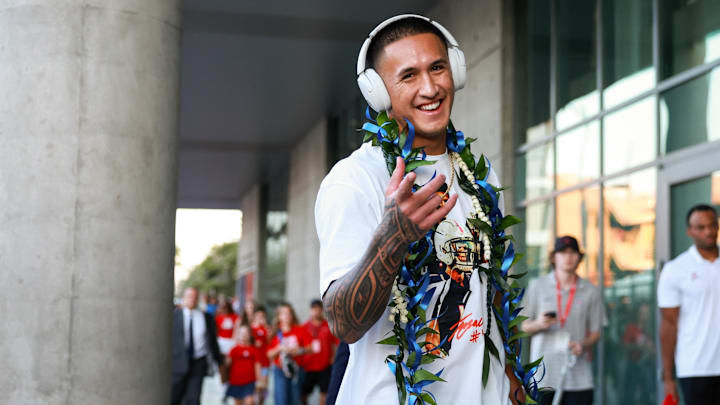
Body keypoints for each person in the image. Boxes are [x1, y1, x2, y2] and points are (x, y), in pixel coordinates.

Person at [316, 14, 523, 404]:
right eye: (408, 76)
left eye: (438, 68)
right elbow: (343, 322)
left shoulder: (481, 177)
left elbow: (491, 286)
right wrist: (393, 236)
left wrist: (510, 372)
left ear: (455, 71)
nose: (430, 87)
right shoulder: (357, 179)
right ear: (379, 93)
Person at [520, 236, 606, 405]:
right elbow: (521, 327)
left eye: (573, 253)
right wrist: (538, 324)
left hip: (578, 376)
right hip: (543, 376)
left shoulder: (590, 291)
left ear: (579, 257)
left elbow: (597, 332)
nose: (568, 257)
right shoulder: (538, 286)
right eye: (563, 253)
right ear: (554, 257)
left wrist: (583, 344)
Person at [658, 204, 720, 403]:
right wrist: (669, 378)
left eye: (712, 226)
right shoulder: (675, 269)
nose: (708, 232)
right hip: (695, 368)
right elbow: (668, 325)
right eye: (701, 227)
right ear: (690, 231)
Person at [171, 287, 224, 405]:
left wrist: (220, 362)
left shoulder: (206, 318)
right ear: (184, 298)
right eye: (189, 296)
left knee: (194, 399)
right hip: (178, 364)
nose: (192, 299)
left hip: (198, 363)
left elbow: (212, 342)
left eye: (195, 297)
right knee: (175, 398)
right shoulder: (174, 317)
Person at [267, 302, 312, 405]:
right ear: (279, 316)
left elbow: (310, 348)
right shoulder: (274, 332)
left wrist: (299, 351)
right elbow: (268, 354)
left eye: (288, 313)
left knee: (295, 399)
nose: (286, 316)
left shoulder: (300, 329)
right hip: (280, 370)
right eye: (283, 313)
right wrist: (279, 348)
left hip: (296, 370)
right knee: (281, 400)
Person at [301, 299, 339, 405]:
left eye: (318, 309)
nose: (316, 312)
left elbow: (336, 342)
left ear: (321, 310)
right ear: (310, 310)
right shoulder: (304, 327)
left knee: (324, 392)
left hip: (325, 365)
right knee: (303, 393)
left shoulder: (328, 325)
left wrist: (334, 357)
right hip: (308, 366)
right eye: (314, 309)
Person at [225, 324, 261, 405]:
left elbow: (257, 366)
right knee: (238, 402)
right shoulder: (234, 349)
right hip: (235, 381)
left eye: (246, 333)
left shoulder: (253, 350)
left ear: (249, 335)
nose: (244, 336)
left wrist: (259, 381)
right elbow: (227, 364)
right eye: (242, 333)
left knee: (249, 401)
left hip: (249, 381)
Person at [251, 306, 271, 405]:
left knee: (264, 387)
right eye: (258, 316)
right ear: (254, 316)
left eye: (262, 316)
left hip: (265, 362)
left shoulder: (266, 329)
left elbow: (270, 343)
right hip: (254, 364)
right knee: (255, 387)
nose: (260, 318)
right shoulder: (250, 329)